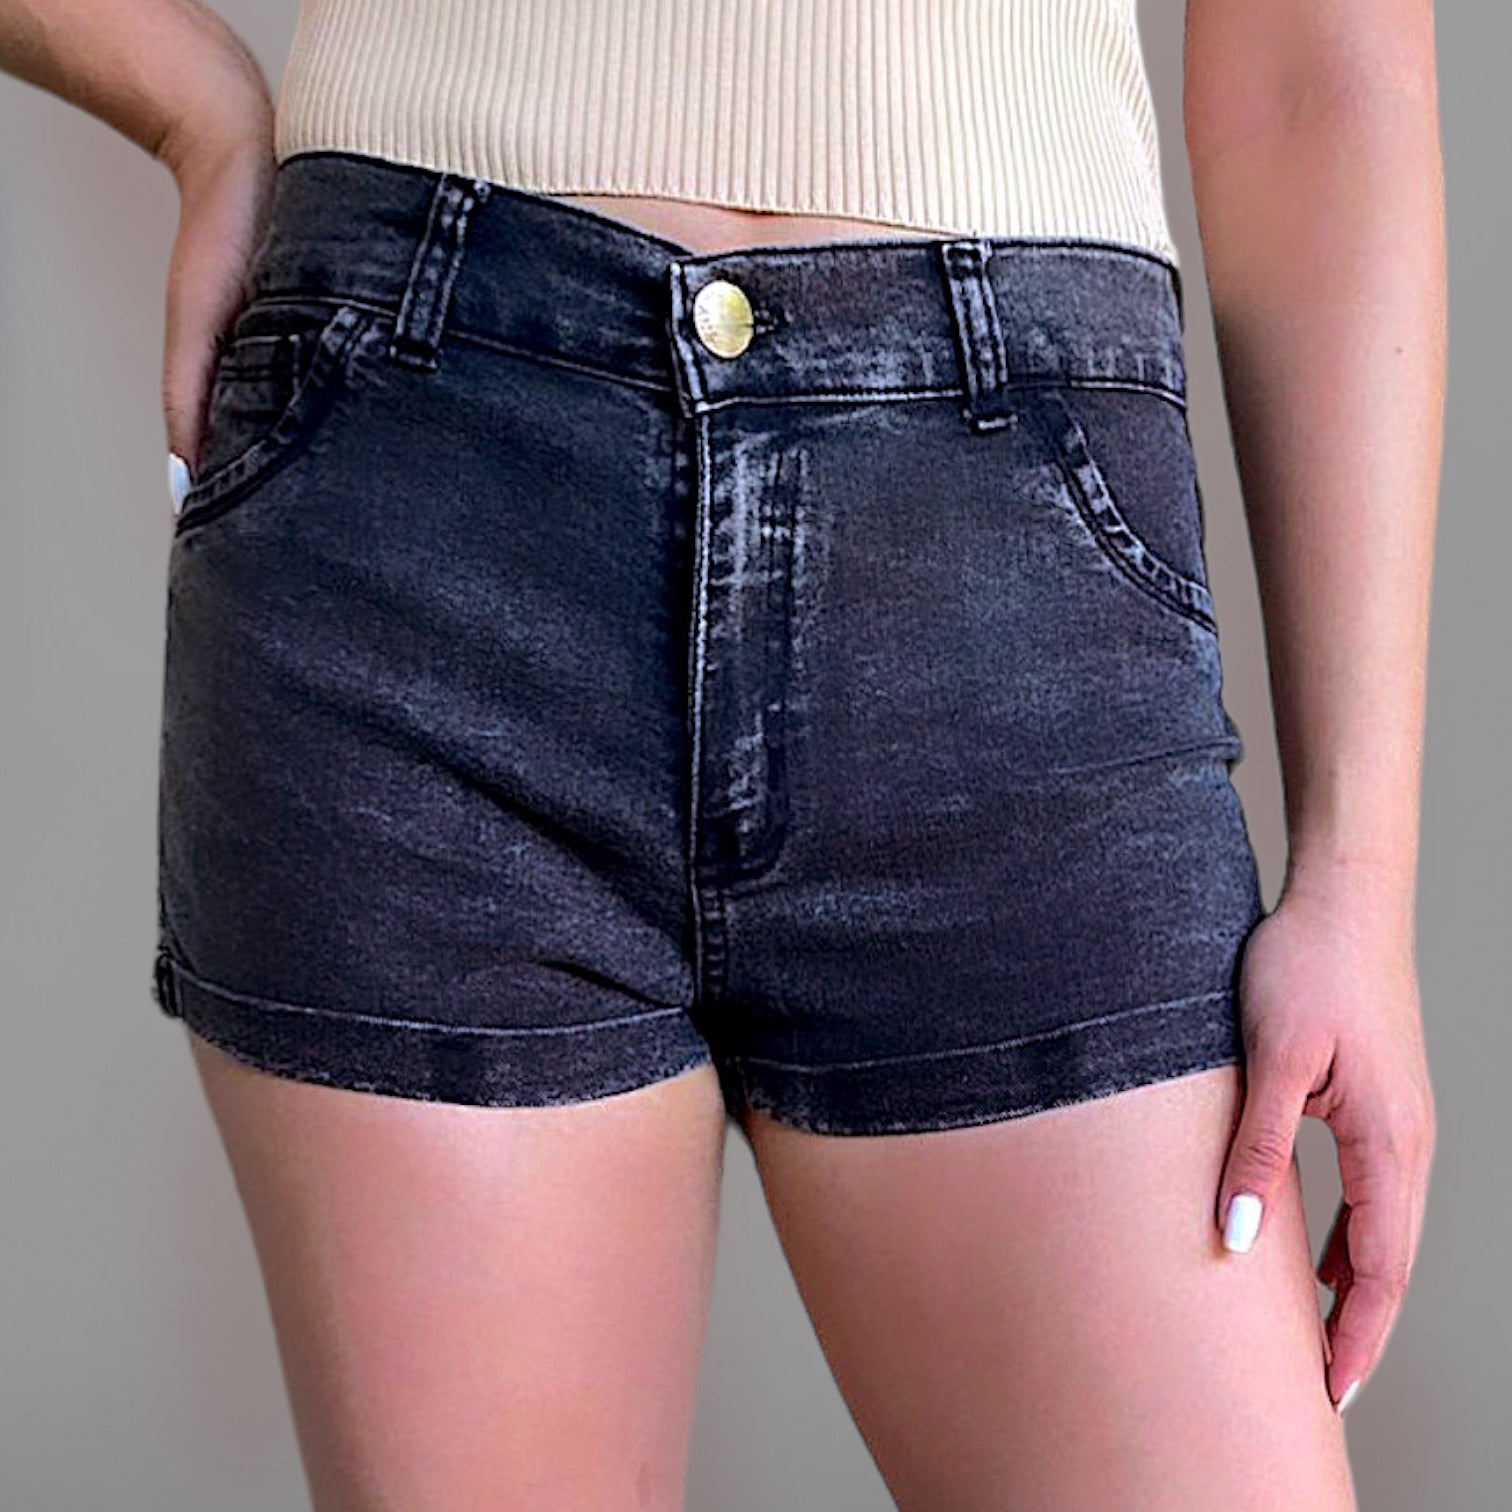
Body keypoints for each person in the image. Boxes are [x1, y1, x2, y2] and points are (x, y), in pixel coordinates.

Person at [2, 1, 1442, 1506]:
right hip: (425, 493)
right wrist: (192, 102)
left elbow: (1319, 76)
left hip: (1009, 563)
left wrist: (1359, 873)